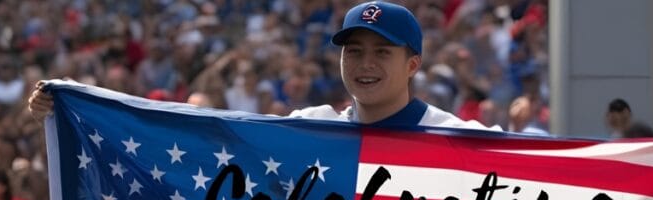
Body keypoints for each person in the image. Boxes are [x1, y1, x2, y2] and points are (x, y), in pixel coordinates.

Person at [29, 2, 491, 130]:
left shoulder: (455, 139)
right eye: (354, 51)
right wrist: (76, 110)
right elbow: (206, 134)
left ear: (413, 65)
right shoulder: (310, 129)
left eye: (382, 52)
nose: (364, 64)